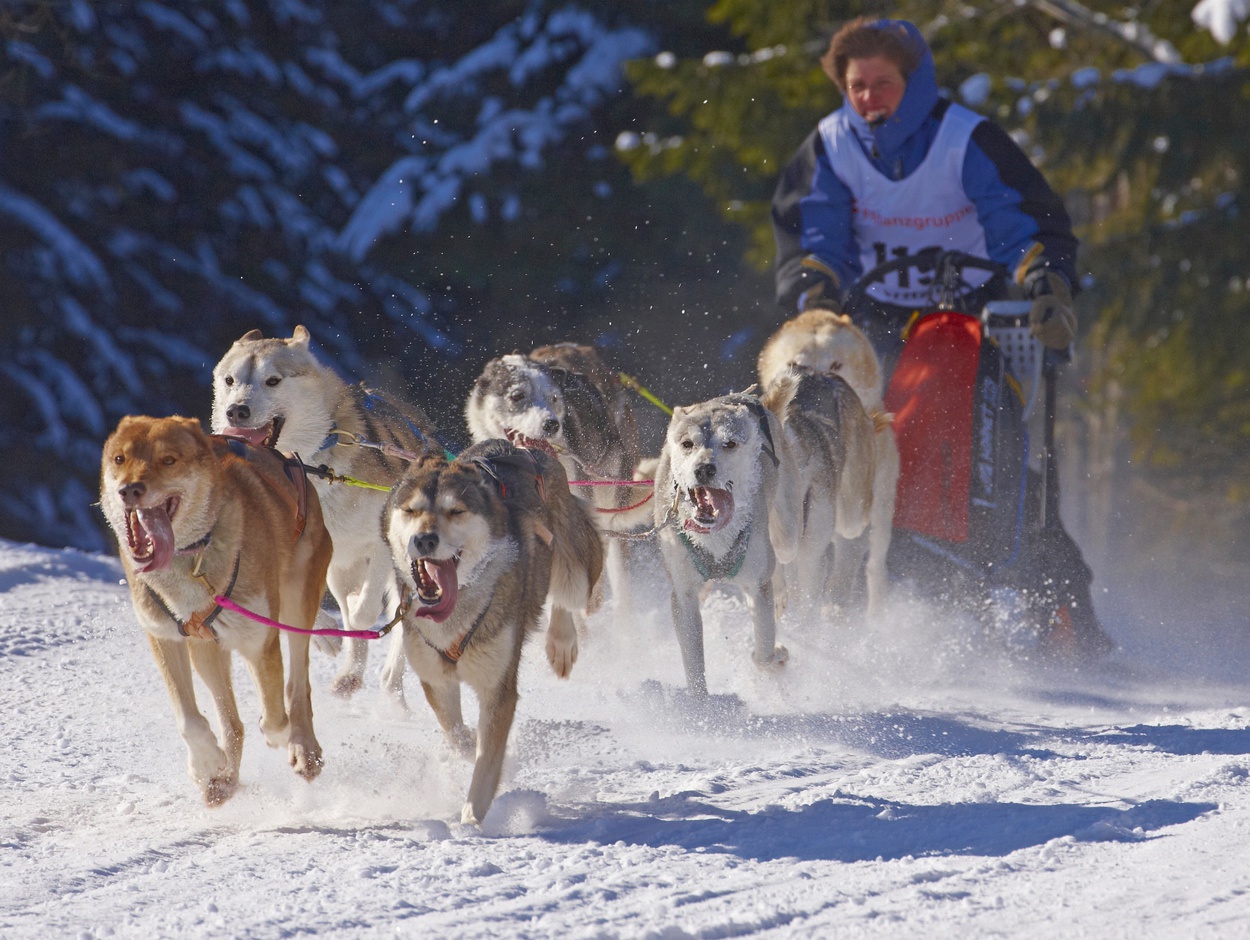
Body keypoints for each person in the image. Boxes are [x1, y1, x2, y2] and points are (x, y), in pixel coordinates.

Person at [771, 17, 1113, 658]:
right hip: (871, 325)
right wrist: (815, 299)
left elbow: (1020, 221)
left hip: (971, 319)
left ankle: (1056, 619)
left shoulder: (966, 140)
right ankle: (827, 596)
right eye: (856, 86)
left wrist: (1045, 282)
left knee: (988, 445)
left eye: (882, 84)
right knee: (841, 442)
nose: (868, 99)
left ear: (915, 84)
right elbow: (814, 238)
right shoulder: (831, 147)